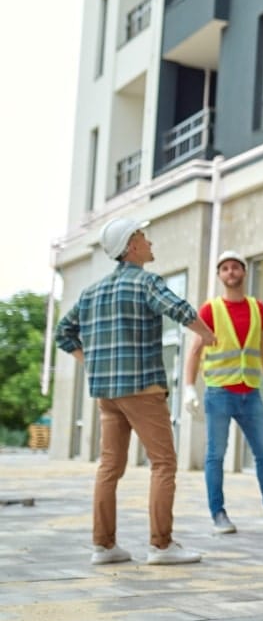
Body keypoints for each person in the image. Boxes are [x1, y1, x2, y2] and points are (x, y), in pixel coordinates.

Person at [55, 217, 217, 566]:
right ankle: (161, 545)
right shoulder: (146, 282)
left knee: (109, 466)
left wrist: (93, 362)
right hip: (142, 389)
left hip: (107, 394)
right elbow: (180, 309)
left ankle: (104, 545)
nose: (150, 243)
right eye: (144, 237)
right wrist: (206, 334)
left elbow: (62, 333)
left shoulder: (90, 292)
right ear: (131, 246)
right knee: (163, 463)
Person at [183, 250, 263, 533]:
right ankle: (218, 514)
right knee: (216, 454)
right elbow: (195, 350)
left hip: (250, 393)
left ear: (244, 272)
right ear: (219, 275)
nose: (230, 272)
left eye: (235, 267)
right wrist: (190, 388)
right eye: (225, 268)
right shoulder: (210, 310)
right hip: (219, 394)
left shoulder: (257, 308)